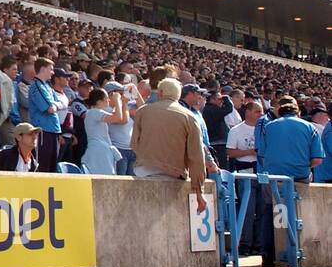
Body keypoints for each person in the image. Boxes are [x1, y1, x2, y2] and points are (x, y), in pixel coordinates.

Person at [254, 95, 322, 267]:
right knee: (299, 215)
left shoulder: (269, 126)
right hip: (299, 177)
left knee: (270, 213)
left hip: (273, 178)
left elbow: (261, 153)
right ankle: (299, 253)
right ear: (298, 112)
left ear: (279, 112)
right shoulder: (309, 127)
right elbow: (317, 159)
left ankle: (268, 256)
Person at [130, 78, 208, 213]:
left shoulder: (143, 111)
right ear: (178, 95)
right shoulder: (190, 116)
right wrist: (199, 191)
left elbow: (134, 144)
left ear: (160, 93)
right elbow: (196, 157)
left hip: (143, 170)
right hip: (174, 173)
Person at [225, 100, 262, 255]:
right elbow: (230, 152)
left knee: (262, 211)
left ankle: (260, 244)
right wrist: (250, 152)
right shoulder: (236, 131)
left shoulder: (264, 129)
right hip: (245, 172)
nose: (261, 115)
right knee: (247, 210)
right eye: (257, 111)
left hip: (261, 172)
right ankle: (245, 243)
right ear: (248, 112)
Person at [29, 58, 68, 172]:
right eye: (50, 69)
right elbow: (50, 109)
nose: (52, 72)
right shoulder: (37, 86)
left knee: (52, 166)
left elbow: (64, 102)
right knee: (43, 166)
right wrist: (56, 106)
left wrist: (56, 106)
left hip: (54, 130)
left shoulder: (48, 87)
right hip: (43, 131)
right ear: (42, 69)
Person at [81, 85, 128, 174]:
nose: (109, 100)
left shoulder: (94, 112)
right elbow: (118, 118)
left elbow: (122, 118)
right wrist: (117, 100)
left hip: (102, 151)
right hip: (99, 152)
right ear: (99, 101)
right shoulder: (95, 112)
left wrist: (123, 103)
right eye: (106, 98)